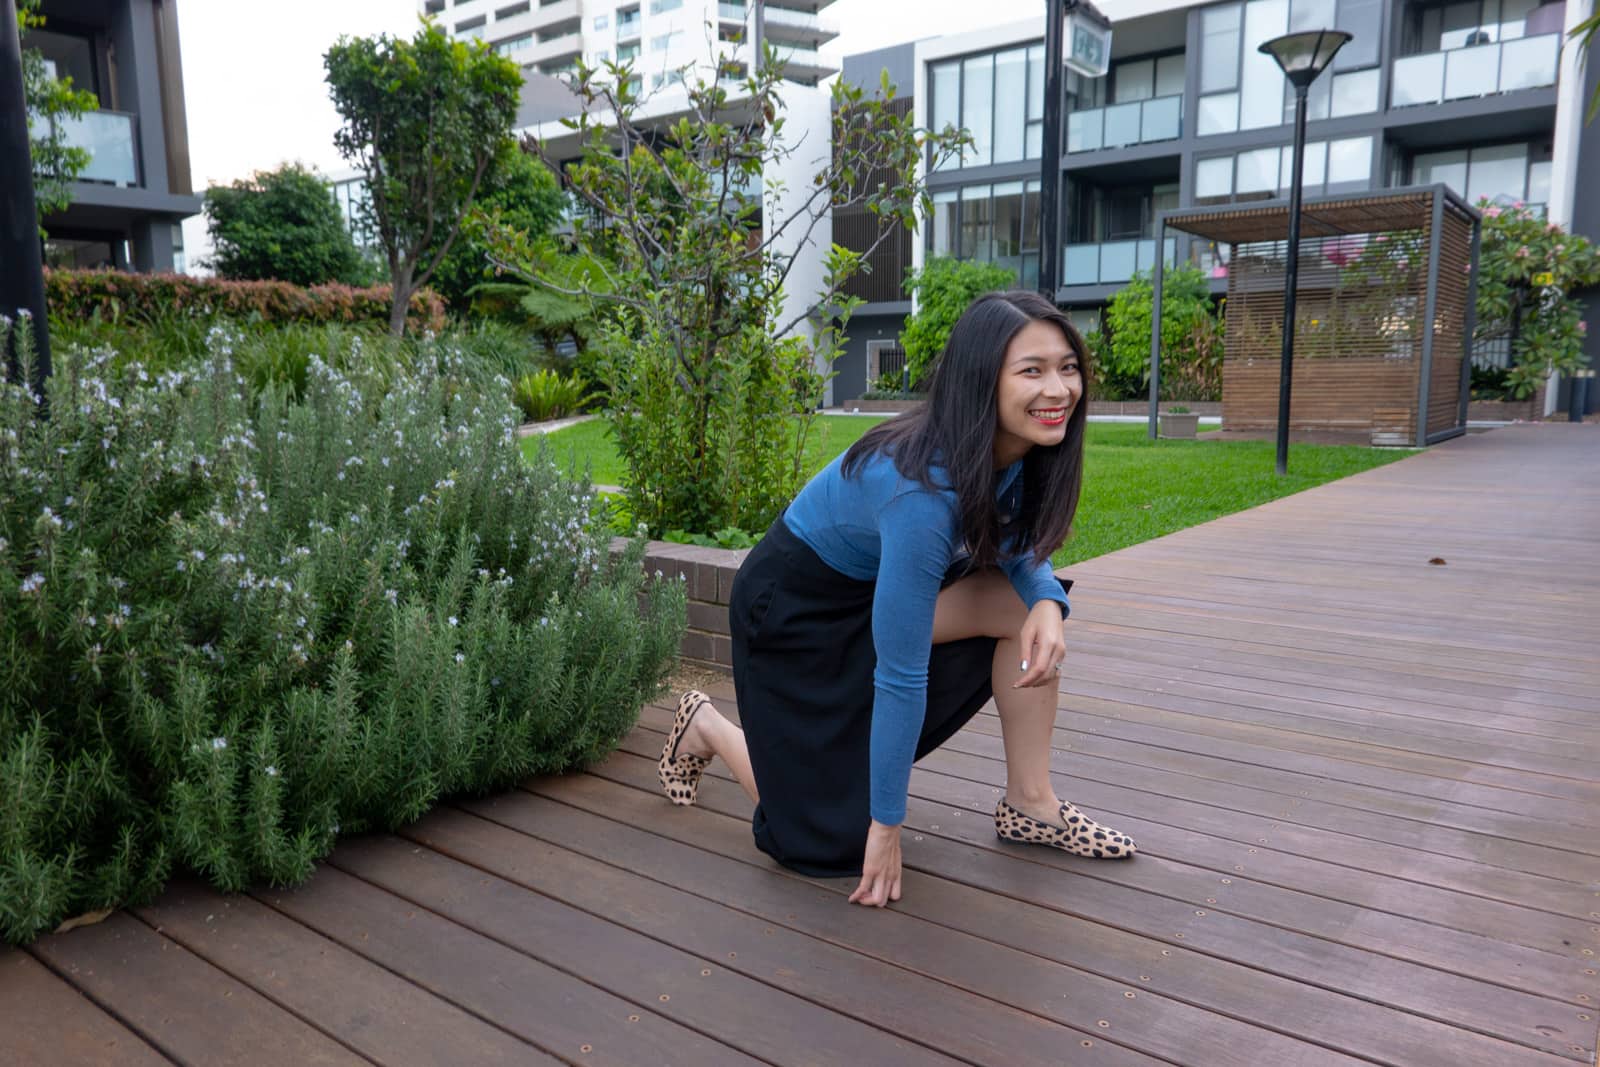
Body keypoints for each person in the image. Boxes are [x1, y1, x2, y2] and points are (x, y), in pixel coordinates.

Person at [657, 290, 1136, 908]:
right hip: (794, 616)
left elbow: (1014, 542)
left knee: (1025, 615)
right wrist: (884, 828)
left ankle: (1030, 803)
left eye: (1067, 367)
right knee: (821, 846)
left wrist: (1046, 599)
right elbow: (902, 675)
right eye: (1032, 371)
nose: (1058, 389)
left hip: (874, 594)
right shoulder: (920, 494)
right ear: (979, 382)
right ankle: (709, 726)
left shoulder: (1012, 448)